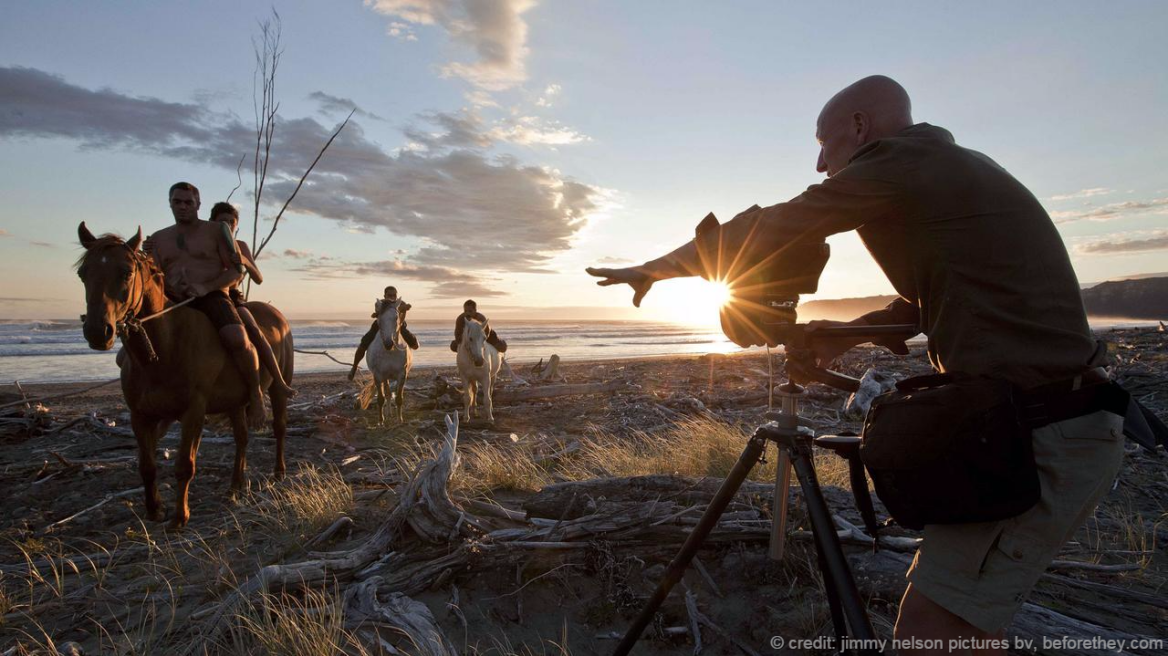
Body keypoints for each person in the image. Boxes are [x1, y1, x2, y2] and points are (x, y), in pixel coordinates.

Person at [586, 76, 1124, 655]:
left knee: (932, 629)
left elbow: (785, 220)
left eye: (824, 143)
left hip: (1046, 431)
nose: (820, 163)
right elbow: (931, 300)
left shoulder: (902, 162)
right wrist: (842, 336)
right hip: (1040, 422)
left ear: (861, 127)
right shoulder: (947, 169)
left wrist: (657, 268)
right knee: (964, 628)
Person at [144, 182, 267, 429]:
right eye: (177, 202)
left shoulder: (216, 231)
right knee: (133, 349)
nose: (182, 207)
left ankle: (255, 394)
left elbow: (235, 271)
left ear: (198, 205)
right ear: (170, 204)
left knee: (237, 337)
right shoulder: (158, 238)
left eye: (188, 202)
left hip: (211, 295)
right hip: (173, 300)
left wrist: (206, 287)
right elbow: (153, 277)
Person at [208, 202, 296, 398]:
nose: (228, 226)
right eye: (223, 222)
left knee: (254, 329)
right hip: (205, 295)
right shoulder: (206, 244)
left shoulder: (240, 246)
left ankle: (277, 381)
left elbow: (258, 278)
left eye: (232, 222)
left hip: (231, 297)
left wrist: (245, 261)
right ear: (212, 223)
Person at [348, 286, 419, 381]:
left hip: (397, 326)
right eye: (389, 295)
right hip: (381, 325)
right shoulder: (380, 303)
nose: (392, 297)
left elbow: (402, 313)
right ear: (384, 295)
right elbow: (381, 311)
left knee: (414, 344)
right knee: (364, 343)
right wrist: (402, 308)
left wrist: (403, 308)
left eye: (394, 295)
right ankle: (354, 367)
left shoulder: (400, 303)